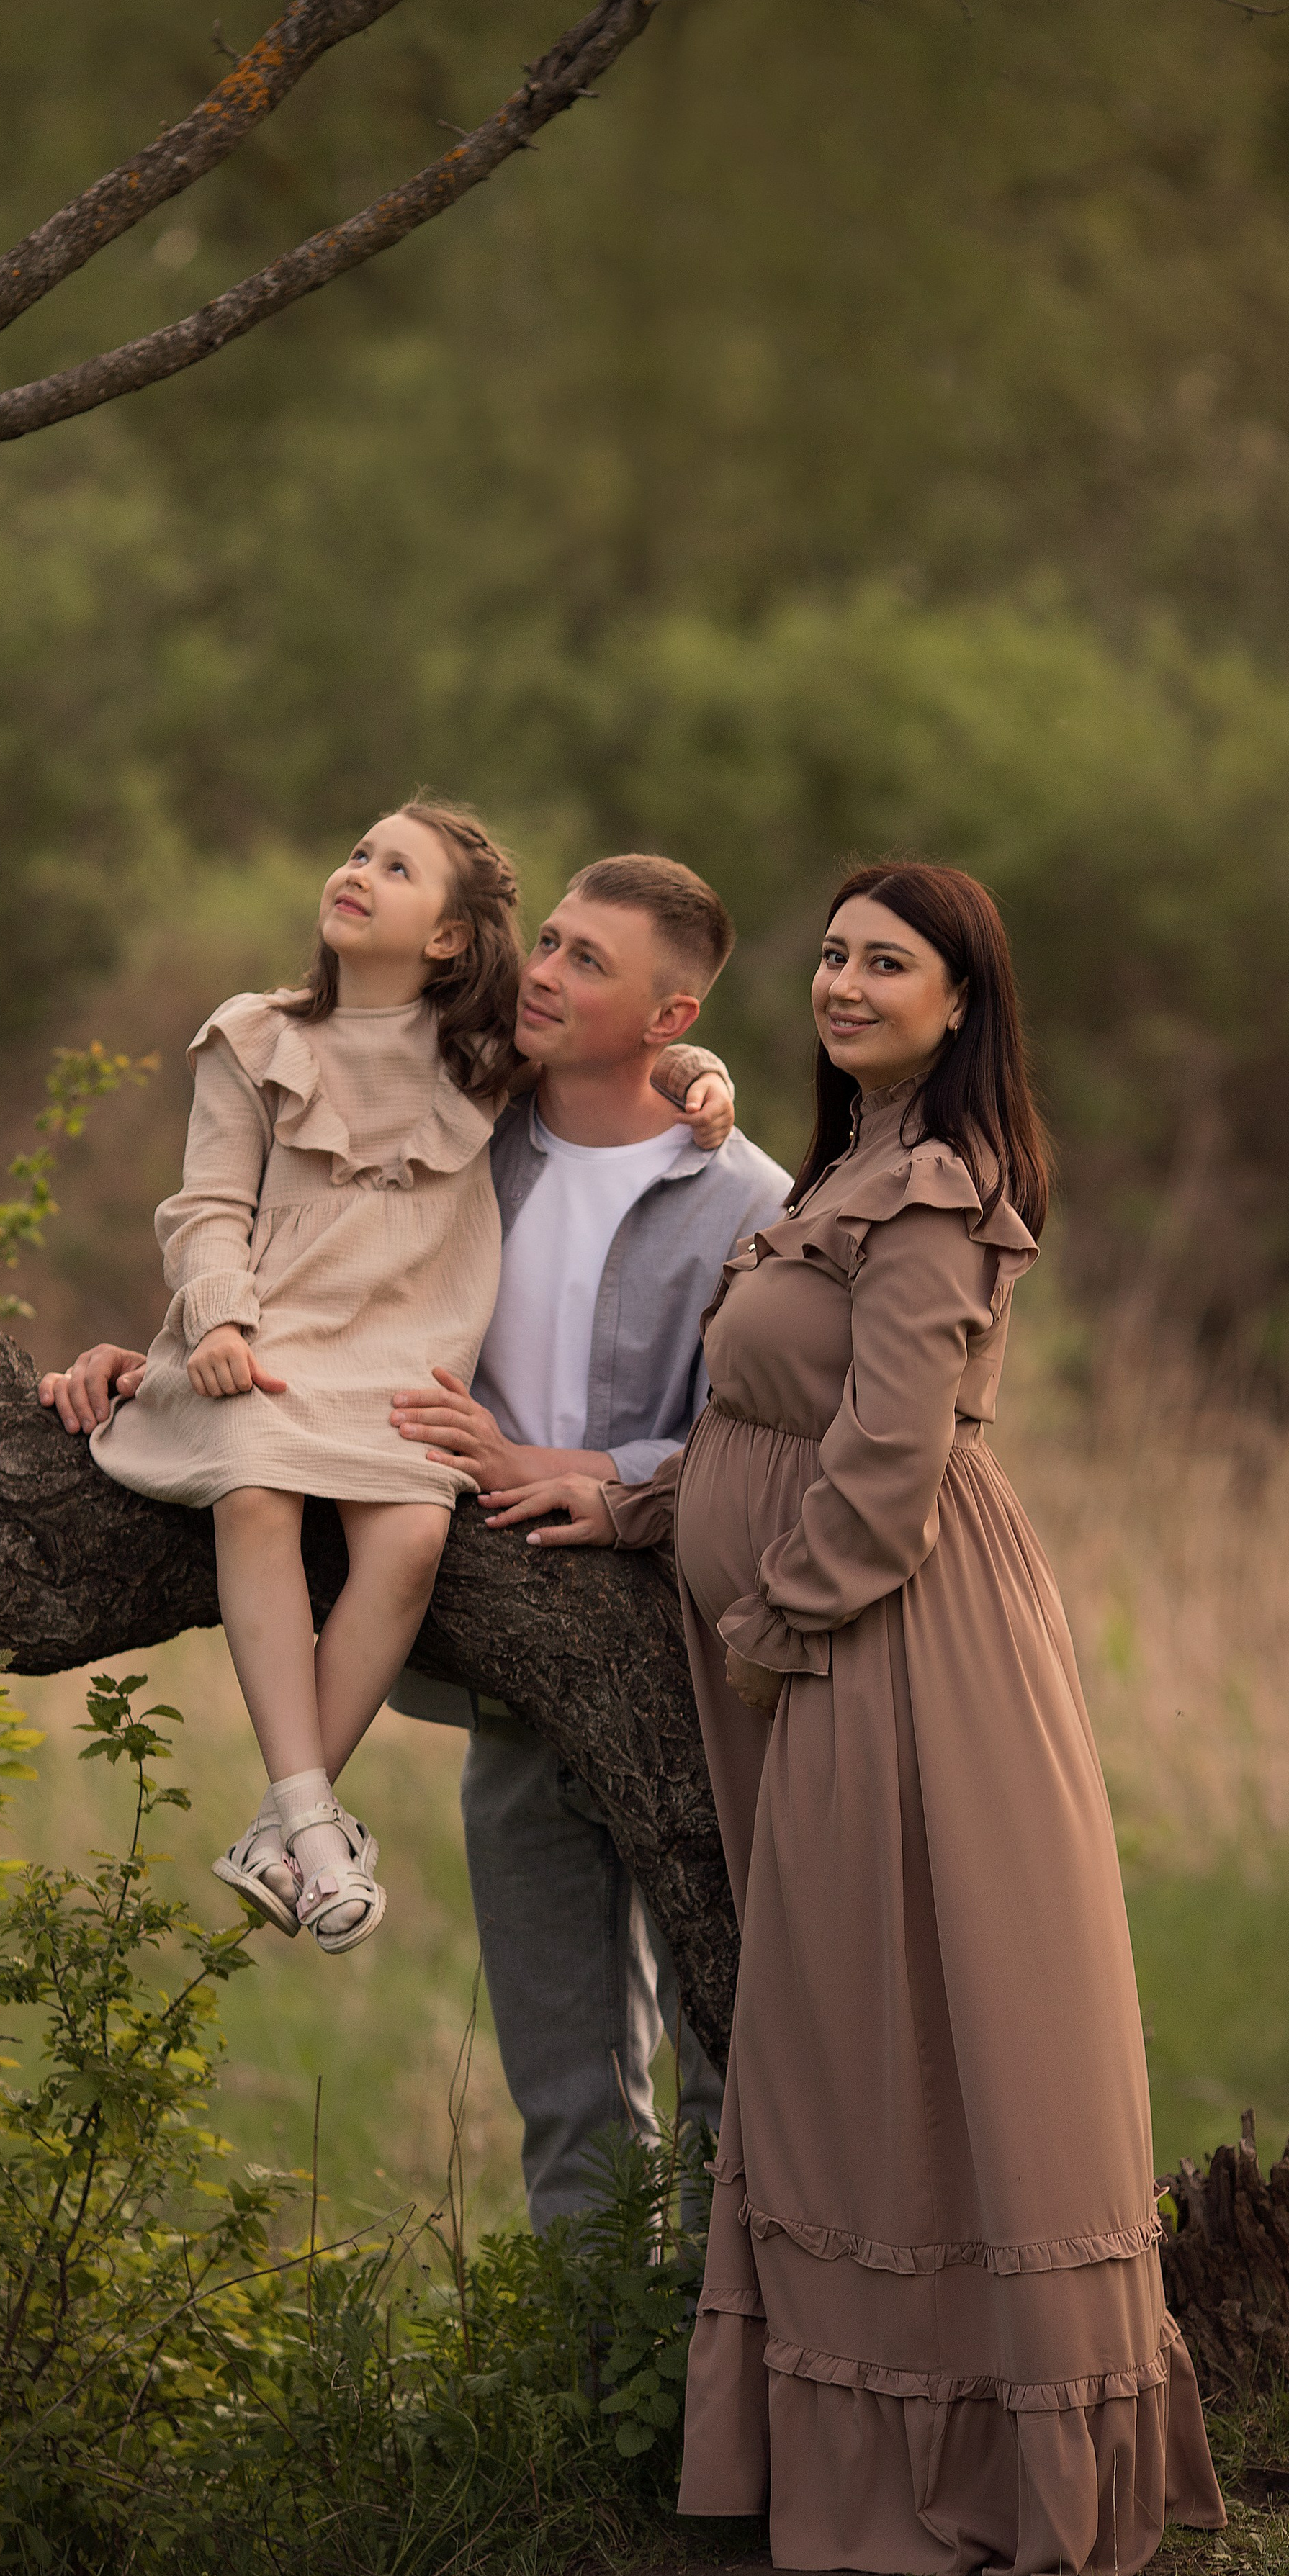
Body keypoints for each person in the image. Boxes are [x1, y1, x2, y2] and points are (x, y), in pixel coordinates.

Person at [496, 860, 1226, 2576]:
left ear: (957, 999)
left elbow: (889, 1461)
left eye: (883, 962)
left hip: (884, 1652)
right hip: (810, 1650)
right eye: (828, 953)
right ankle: (835, 2450)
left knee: (897, 2029)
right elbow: (757, 1422)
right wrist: (631, 1513)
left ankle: (979, 2460)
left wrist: (766, 1620)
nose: (841, 981)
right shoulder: (847, 1163)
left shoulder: (939, 1187)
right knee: (845, 2033)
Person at [37, 797, 737, 1958]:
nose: (358, 870)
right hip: (272, 1344)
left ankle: (280, 1829)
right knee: (256, 1495)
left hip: (401, 1366)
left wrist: (697, 1068)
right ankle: (312, 1815)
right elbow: (208, 1205)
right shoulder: (254, 1036)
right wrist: (213, 1318)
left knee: (409, 1543)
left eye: (396, 867)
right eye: (359, 851)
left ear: (450, 938)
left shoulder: (482, 1053)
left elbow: (615, 1044)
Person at [385, 855, 789, 2226]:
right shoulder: (462, 1139)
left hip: (691, 1676)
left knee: (730, 2086)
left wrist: (591, 1471)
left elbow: (775, 1450)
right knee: (565, 2107)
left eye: (588, 962)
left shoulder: (754, 1204)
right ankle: (585, 2412)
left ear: (673, 1023)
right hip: (510, 1670)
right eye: (548, 942)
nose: (544, 971)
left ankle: (724, 2405)